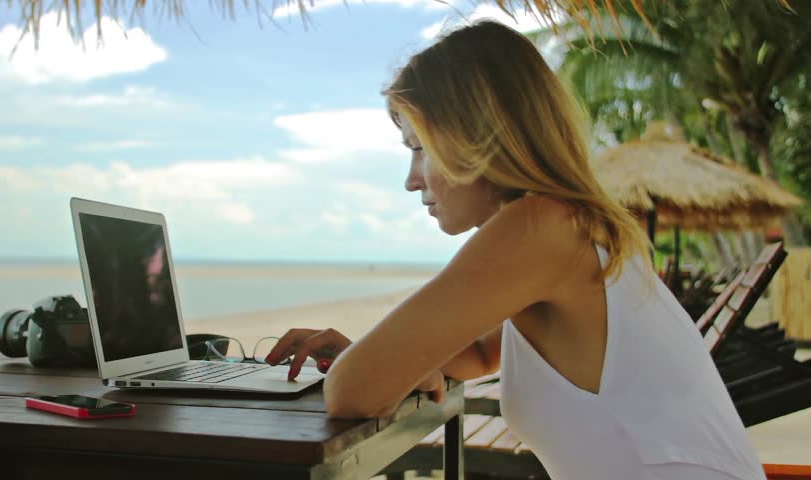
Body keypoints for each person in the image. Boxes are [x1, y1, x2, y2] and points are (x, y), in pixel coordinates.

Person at [265, 20, 766, 480]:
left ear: (476, 139)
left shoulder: (541, 225)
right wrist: (380, 357)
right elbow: (483, 352)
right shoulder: (576, 224)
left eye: (419, 148)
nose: (411, 181)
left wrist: (370, 367)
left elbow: (351, 393)